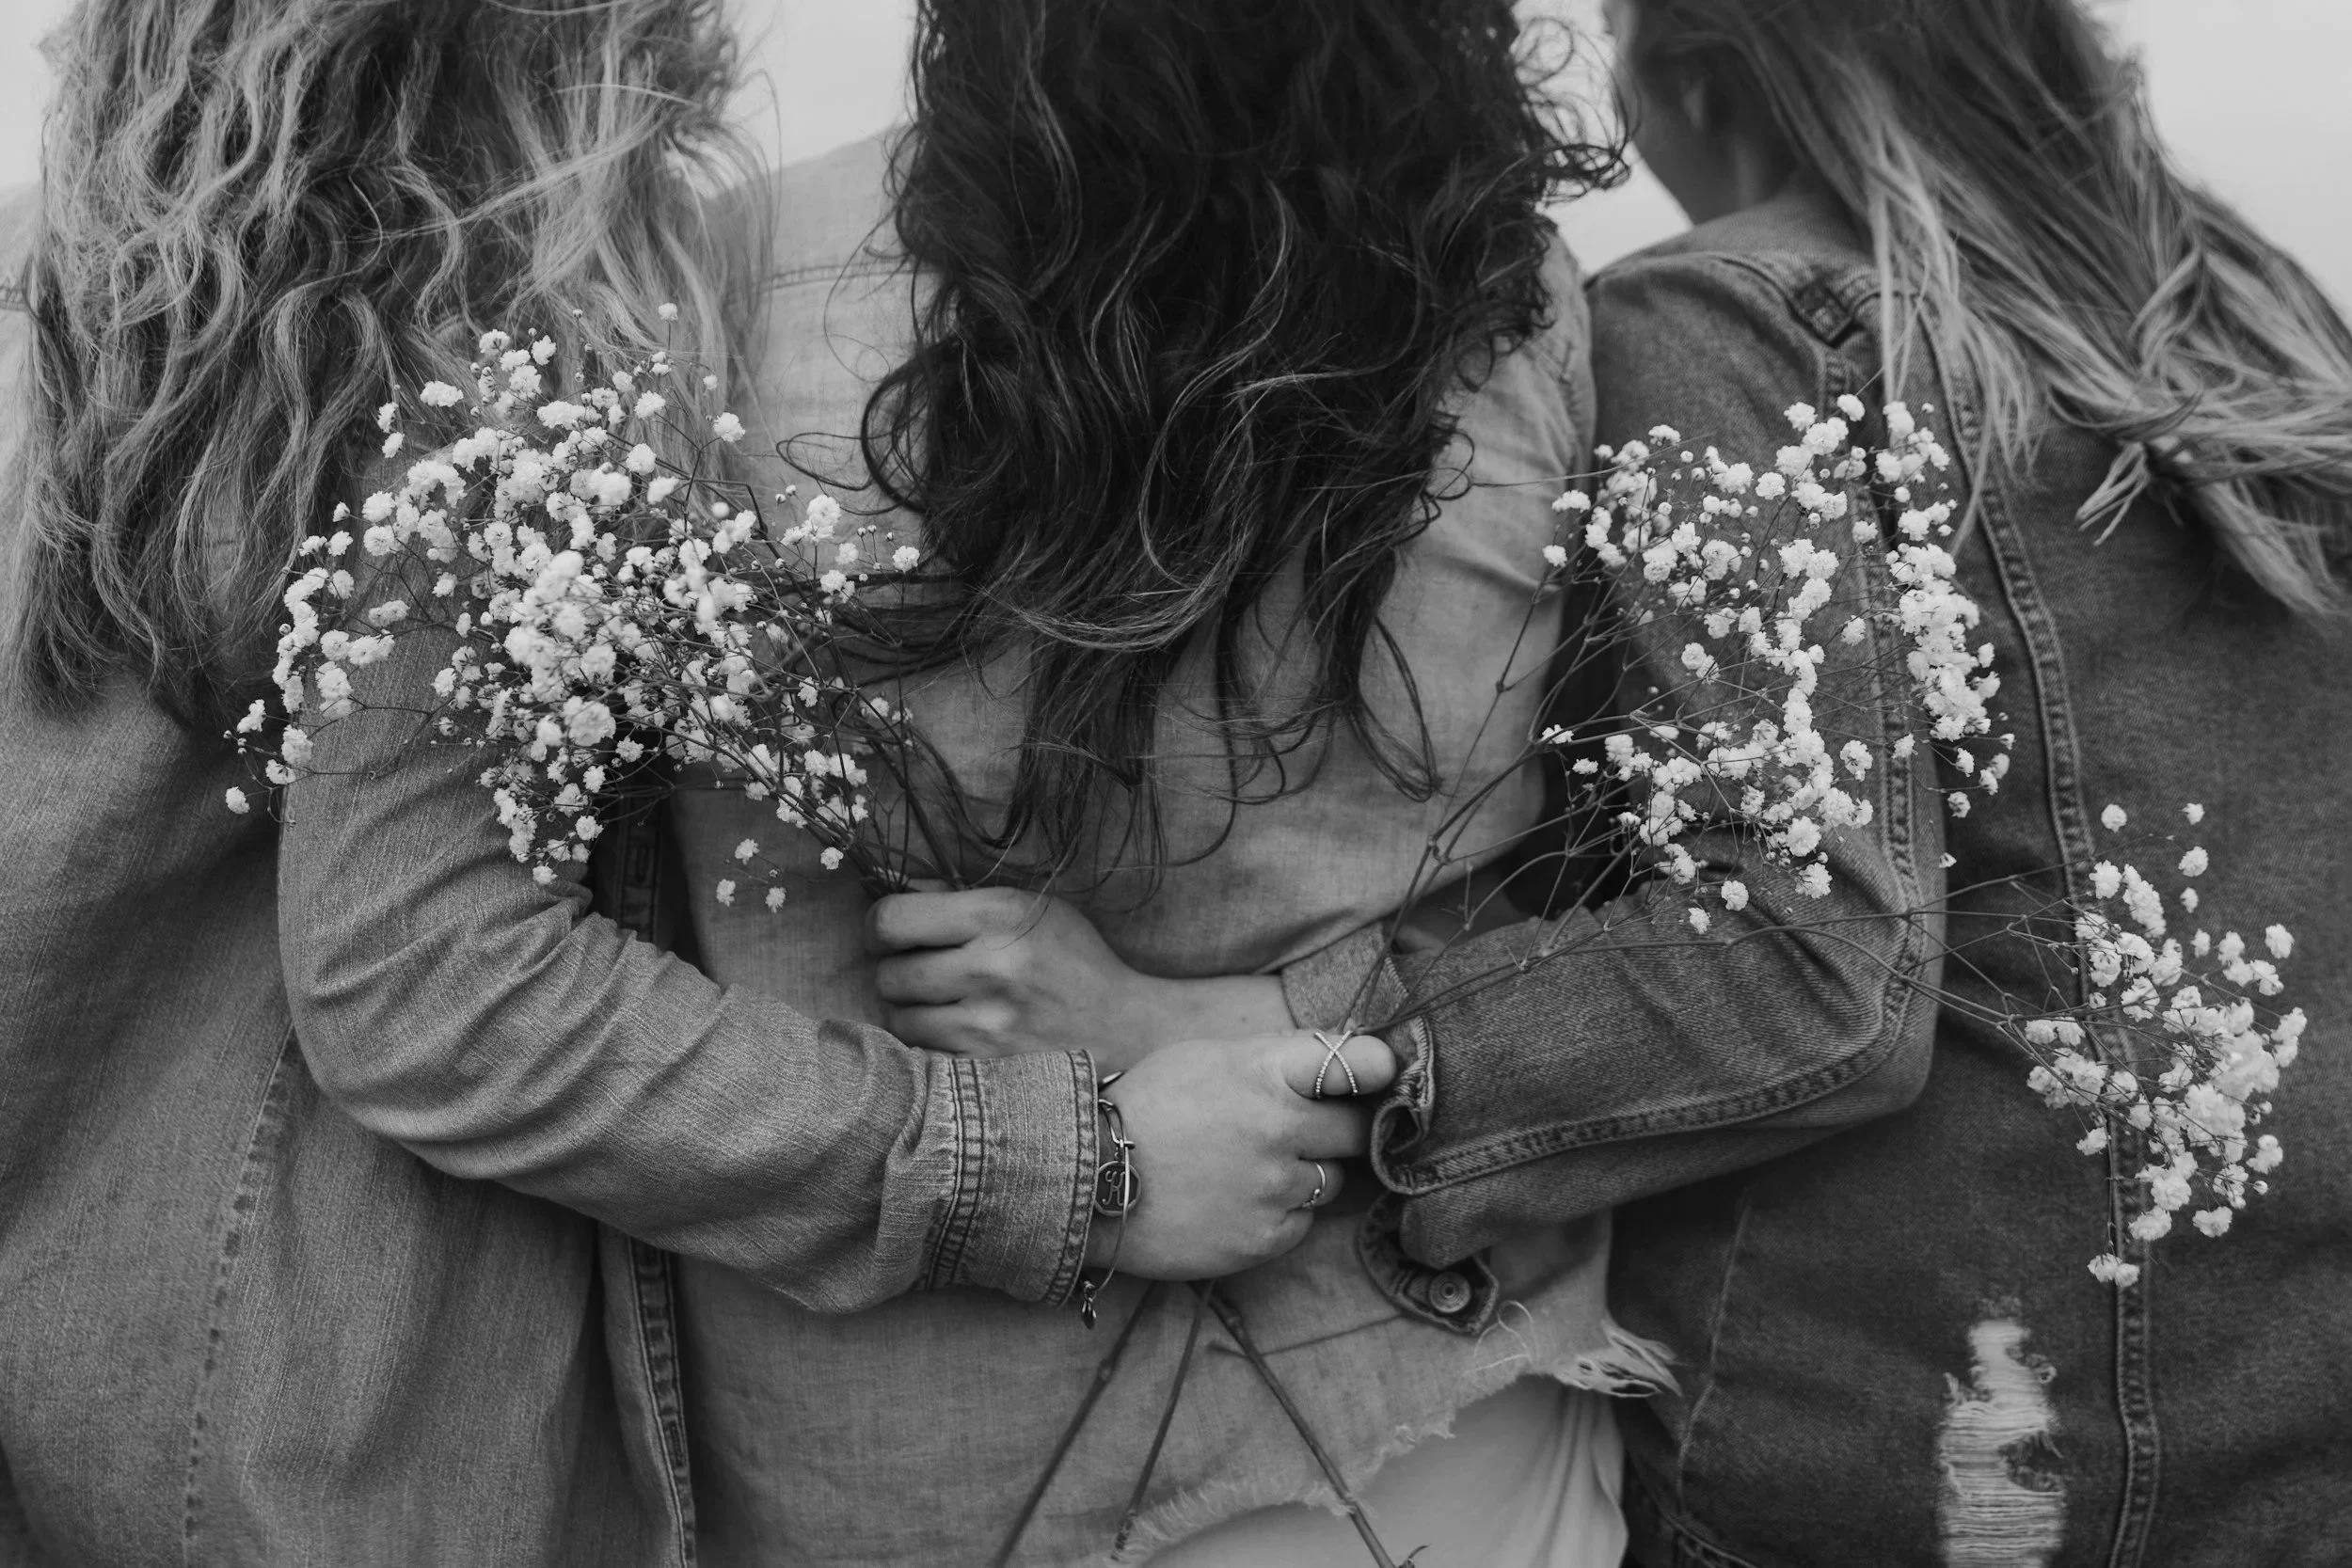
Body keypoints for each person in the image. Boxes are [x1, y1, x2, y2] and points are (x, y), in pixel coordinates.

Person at [891, 0, 2352, 1563]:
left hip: (1898, 1441)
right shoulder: (2260, 330)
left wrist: (1234, 1028)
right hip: (2285, 1419)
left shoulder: (1737, 320)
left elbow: (1804, 962)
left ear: (1702, 72)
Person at [0, 1, 1378, 1560]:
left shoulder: (78, 298)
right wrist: (1083, 1167)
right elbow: (422, 970)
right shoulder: (484, 334)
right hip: (310, 1462)